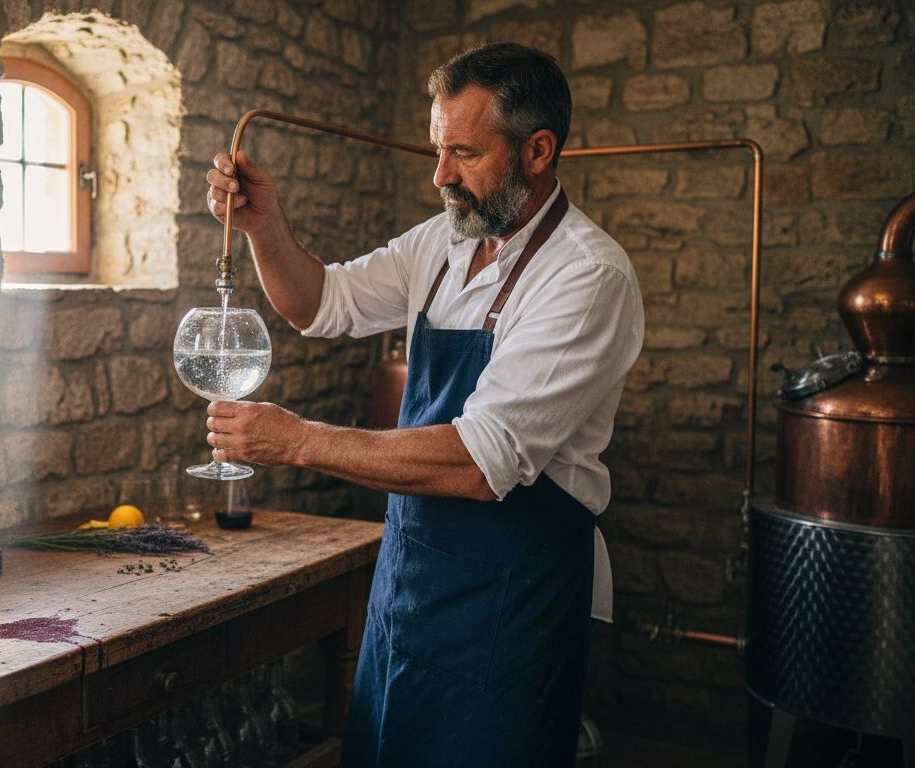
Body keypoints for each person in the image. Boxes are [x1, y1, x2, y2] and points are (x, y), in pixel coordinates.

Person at [203, 42, 644, 767]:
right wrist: (263, 226)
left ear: (538, 150)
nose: (440, 177)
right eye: (438, 150)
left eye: (464, 154)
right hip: (411, 587)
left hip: (513, 605)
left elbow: (481, 460)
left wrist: (298, 440)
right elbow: (320, 303)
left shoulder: (587, 276)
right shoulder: (442, 240)